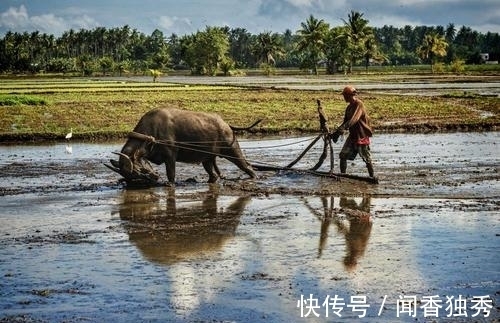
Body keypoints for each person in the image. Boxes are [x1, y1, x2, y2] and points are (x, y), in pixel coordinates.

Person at [330, 85, 376, 180]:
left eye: (345, 96)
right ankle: (343, 176)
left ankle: (372, 177)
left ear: (350, 95)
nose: (344, 98)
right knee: (343, 156)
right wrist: (336, 133)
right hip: (353, 136)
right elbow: (345, 122)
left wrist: (342, 129)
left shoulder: (359, 104)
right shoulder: (348, 108)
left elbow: (353, 120)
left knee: (367, 159)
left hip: (361, 136)